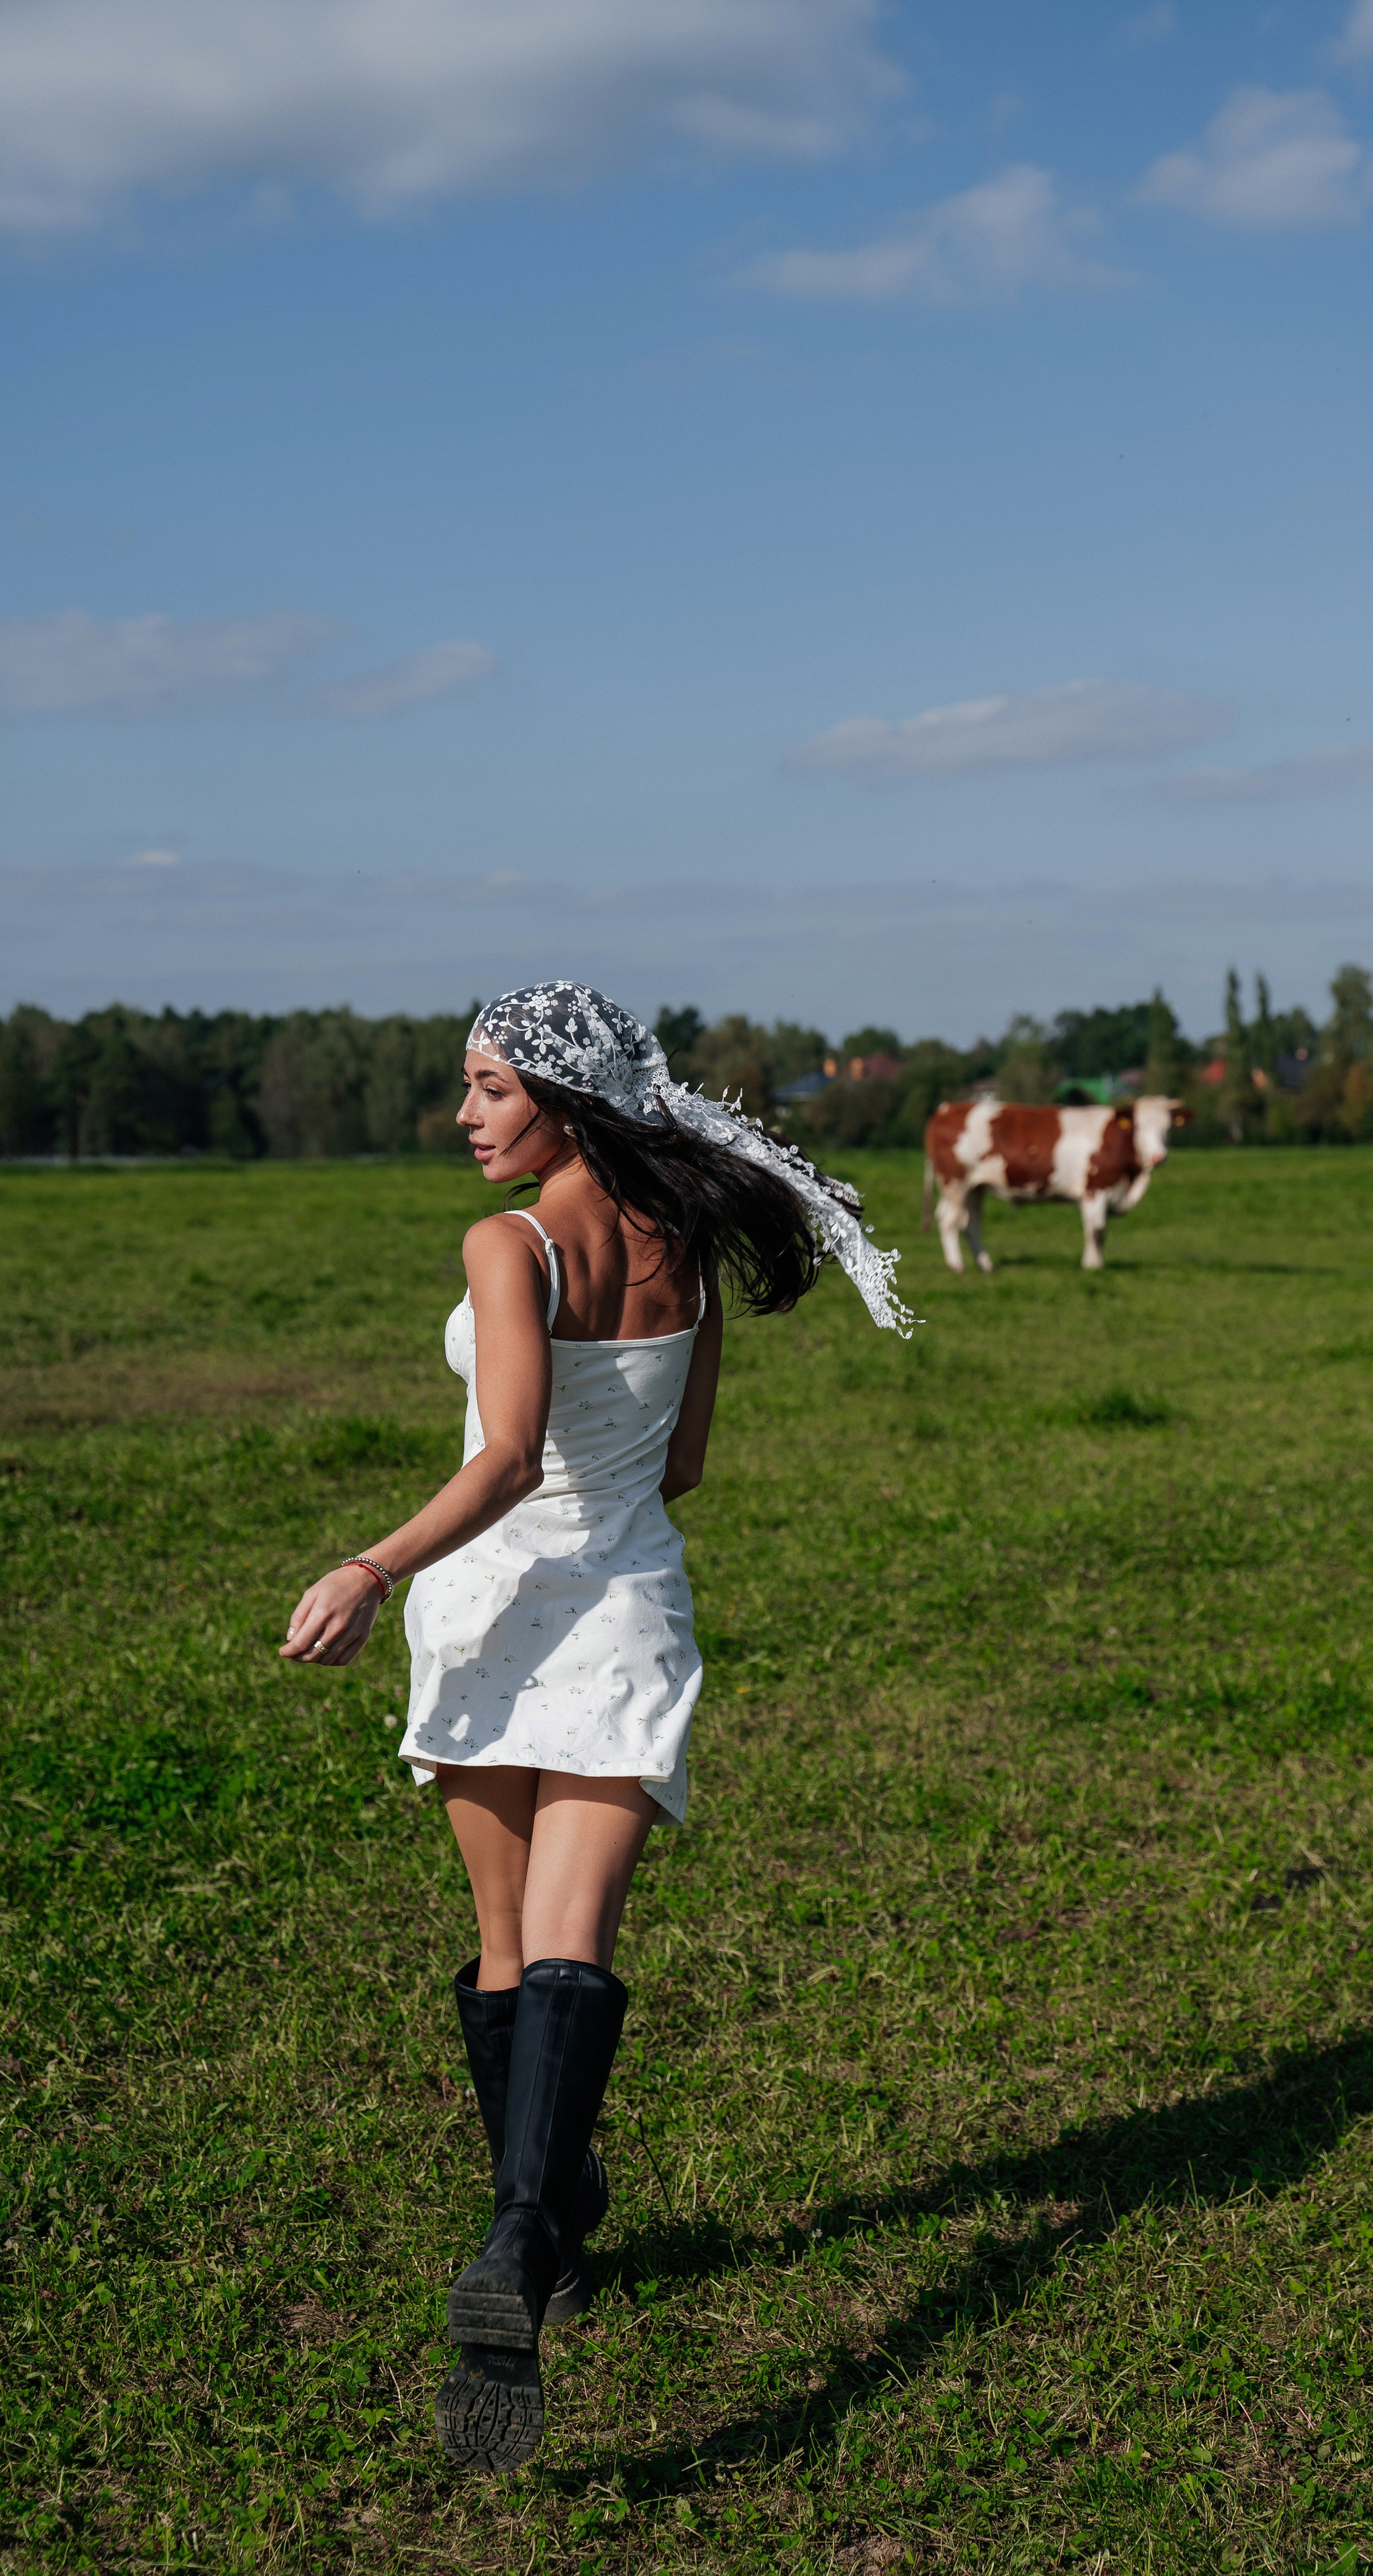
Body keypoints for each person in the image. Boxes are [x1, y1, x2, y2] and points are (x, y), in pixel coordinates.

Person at [279, 981, 911, 2471]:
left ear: (564, 1100)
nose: (465, 1115)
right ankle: (535, 2226)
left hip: (486, 1610)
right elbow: (679, 1464)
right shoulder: (683, 1242)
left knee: (509, 1947)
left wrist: (370, 1567)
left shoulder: (508, 1244)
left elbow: (506, 1456)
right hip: (626, 1609)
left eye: (490, 1086)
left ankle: (533, 2230)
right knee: (570, 1947)